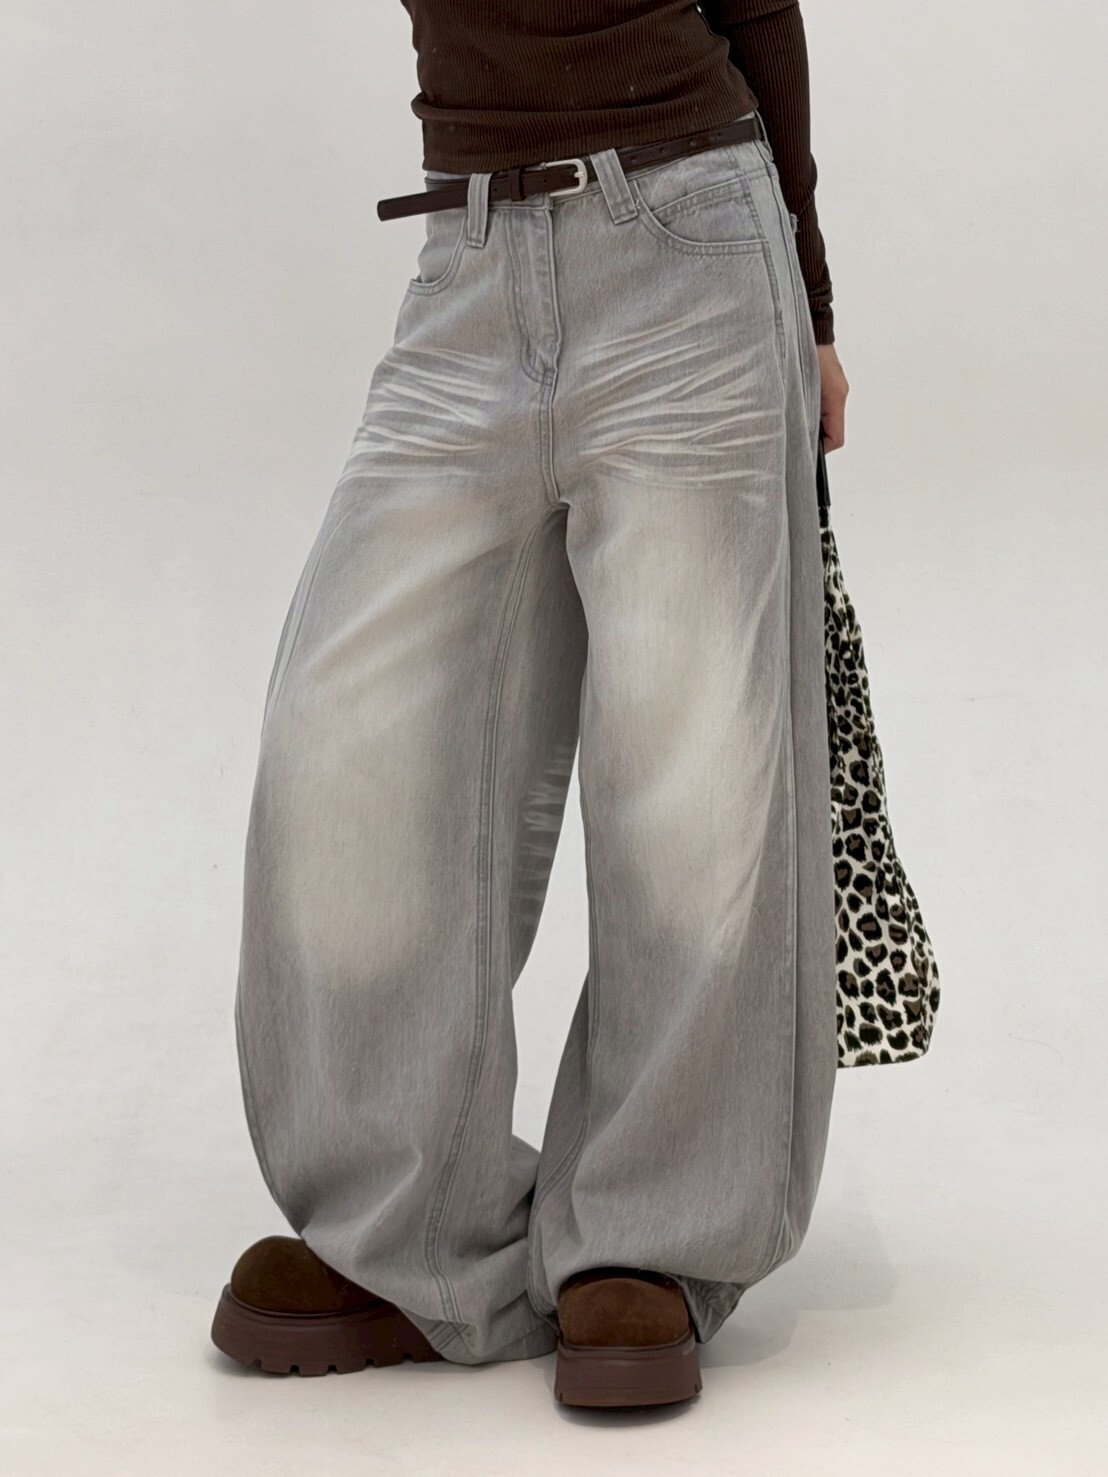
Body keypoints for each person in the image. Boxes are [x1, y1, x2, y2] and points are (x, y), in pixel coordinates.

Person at [210, 0, 849, 1410]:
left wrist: (806, 300)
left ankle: (652, 1238)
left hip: (687, 240)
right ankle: (406, 1231)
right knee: (348, 742)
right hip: (469, 256)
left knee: (690, 777)